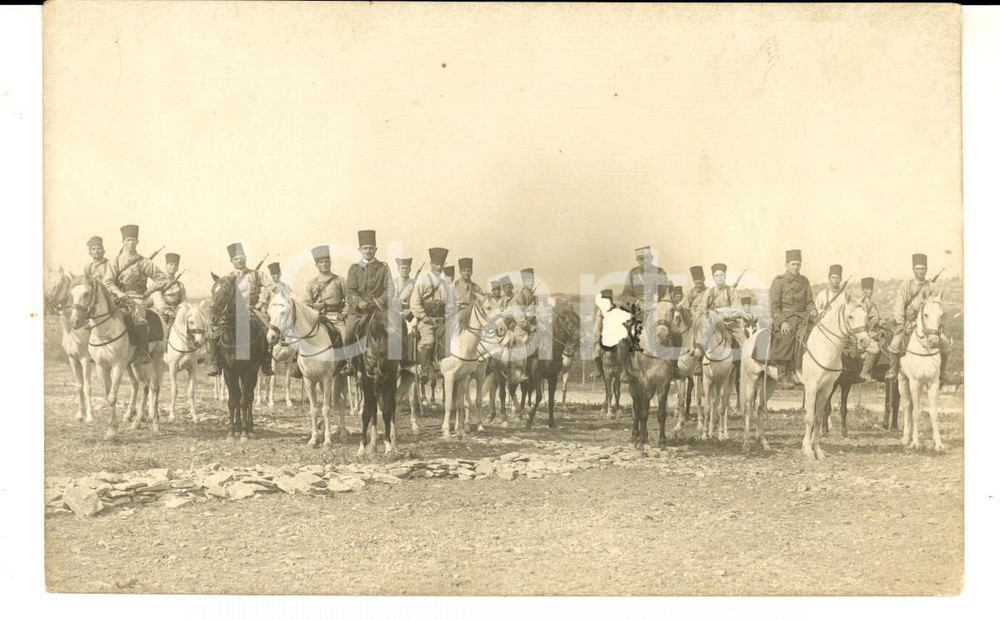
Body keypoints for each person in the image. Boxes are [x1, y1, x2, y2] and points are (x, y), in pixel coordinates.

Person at [103, 224, 169, 365]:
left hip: (136, 298)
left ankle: (142, 351)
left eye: (133, 240)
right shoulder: (115, 262)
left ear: (137, 242)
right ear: (123, 242)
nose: (130, 243)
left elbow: (162, 279)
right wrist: (119, 293)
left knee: (138, 317)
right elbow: (107, 282)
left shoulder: (144, 262)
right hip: (117, 297)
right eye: (127, 240)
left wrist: (148, 291)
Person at [207, 242, 274, 376]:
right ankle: (214, 363)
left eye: (242, 257)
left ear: (246, 258)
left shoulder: (257, 274)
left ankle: (266, 362)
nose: (240, 260)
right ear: (231, 261)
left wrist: (261, 302)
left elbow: (270, 287)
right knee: (213, 329)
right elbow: (221, 294)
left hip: (254, 309)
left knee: (267, 326)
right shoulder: (227, 278)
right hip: (233, 312)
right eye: (236, 258)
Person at [884, 253, 951, 381]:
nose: (920, 271)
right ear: (913, 269)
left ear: (926, 269)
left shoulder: (932, 287)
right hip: (909, 322)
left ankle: (942, 371)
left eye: (923, 268)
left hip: (928, 324)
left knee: (946, 344)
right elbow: (899, 305)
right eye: (917, 268)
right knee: (895, 344)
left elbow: (937, 307)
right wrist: (900, 322)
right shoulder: (906, 286)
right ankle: (892, 370)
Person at [769, 249, 817, 389]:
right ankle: (783, 376)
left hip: (803, 318)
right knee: (786, 337)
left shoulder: (804, 281)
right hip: (785, 318)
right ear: (786, 264)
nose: (796, 267)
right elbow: (774, 307)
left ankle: (803, 371)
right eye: (793, 264)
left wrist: (812, 309)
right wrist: (782, 322)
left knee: (813, 336)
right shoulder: (779, 282)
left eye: (798, 264)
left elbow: (809, 301)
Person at [345, 230, 392, 368]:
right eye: (365, 248)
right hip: (359, 312)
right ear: (360, 250)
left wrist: (381, 300)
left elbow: (390, 288)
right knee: (348, 333)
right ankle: (349, 363)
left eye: (371, 248)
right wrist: (359, 303)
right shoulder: (354, 269)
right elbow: (350, 290)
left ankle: (399, 362)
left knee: (396, 329)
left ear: (376, 249)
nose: (368, 251)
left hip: (380, 309)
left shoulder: (383, 268)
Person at [306, 244, 349, 369]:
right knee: (305, 335)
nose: (324, 264)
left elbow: (349, 300)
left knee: (346, 335)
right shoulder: (311, 284)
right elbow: (306, 303)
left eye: (326, 261)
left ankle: (349, 363)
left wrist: (344, 313)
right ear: (316, 265)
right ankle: (301, 366)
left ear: (330, 263)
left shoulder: (340, 280)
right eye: (321, 262)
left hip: (337, 317)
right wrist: (314, 312)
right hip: (319, 318)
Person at [410, 247, 449, 382]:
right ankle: (424, 369)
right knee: (429, 340)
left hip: (441, 320)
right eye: (436, 264)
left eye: (441, 264)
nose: (439, 267)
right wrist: (424, 317)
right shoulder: (423, 279)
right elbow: (414, 301)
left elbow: (449, 303)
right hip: (426, 319)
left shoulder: (445, 282)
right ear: (431, 264)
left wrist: (448, 316)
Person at [704, 263, 748, 348]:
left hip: (730, 323)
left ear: (725, 276)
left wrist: (724, 315)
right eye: (716, 276)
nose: (719, 278)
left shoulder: (732, 291)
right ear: (713, 277)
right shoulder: (709, 292)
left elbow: (738, 310)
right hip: (713, 323)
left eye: (721, 275)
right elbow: (703, 309)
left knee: (744, 342)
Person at [620, 246, 669, 313]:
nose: (645, 261)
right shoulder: (633, 273)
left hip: (657, 309)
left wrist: (656, 303)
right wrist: (638, 302)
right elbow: (625, 295)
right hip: (638, 311)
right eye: (641, 259)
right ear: (637, 260)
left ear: (651, 258)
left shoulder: (660, 272)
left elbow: (666, 293)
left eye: (647, 258)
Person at [159, 253, 187, 326]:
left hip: (176, 314)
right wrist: (168, 311)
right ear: (166, 266)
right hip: (161, 313)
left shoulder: (180, 285)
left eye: (175, 265)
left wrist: (178, 311)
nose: (173, 267)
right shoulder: (159, 282)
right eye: (171, 264)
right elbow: (158, 300)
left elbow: (184, 301)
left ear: (177, 268)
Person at [593, 288, 615, 378]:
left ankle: (627, 370)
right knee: (596, 353)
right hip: (604, 336)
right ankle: (599, 370)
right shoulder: (600, 311)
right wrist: (596, 336)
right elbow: (597, 325)